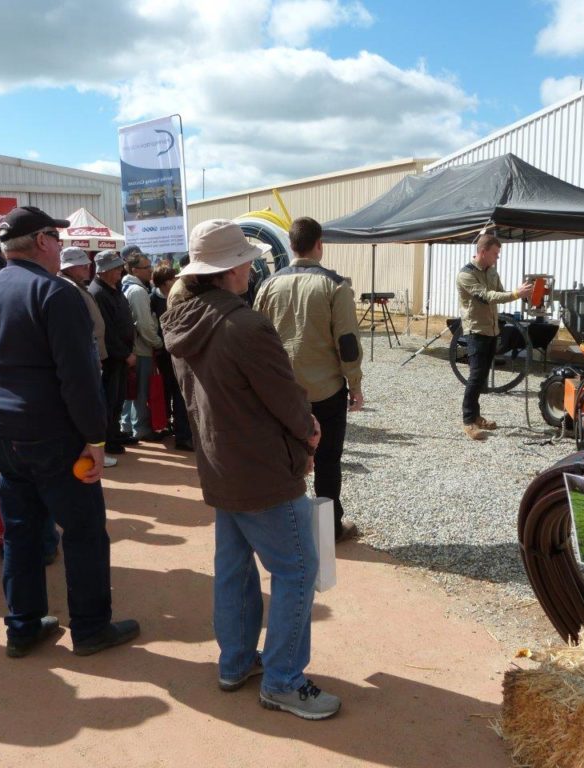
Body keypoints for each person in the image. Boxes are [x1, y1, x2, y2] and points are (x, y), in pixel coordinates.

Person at [161, 218, 339, 720]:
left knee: (234, 570)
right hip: (261, 468)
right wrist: (308, 431)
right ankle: (283, 680)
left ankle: (237, 661)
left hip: (221, 462)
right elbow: (283, 397)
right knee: (297, 570)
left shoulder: (182, 318)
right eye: (245, 260)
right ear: (235, 268)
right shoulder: (243, 324)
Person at [0, 206, 139, 657]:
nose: (61, 244)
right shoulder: (55, 293)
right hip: (54, 436)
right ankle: (90, 628)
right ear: (41, 240)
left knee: (21, 533)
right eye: (56, 237)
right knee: (83, 531)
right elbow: (79, 378)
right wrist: (96, 438)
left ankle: (22, 627)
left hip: (5, 433)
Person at [254, 216, 363, 543]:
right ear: (320, 245)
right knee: (328, 461)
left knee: (283, 460)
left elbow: (257, 340)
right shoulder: (335, 285)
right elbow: (347, 343)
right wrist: (355, 386)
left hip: (282, 393)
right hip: (326, 390)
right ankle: (328, 530)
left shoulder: (268, 285)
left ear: (290, 245)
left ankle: (283, 528)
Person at [455, 233, 534, 440]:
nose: (497, 258)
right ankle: (468, 421)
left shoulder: (491, 272)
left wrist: (520, 293)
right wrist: (516, 294)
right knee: (475, 377)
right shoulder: (466, 275)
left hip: (492, 331)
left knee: (480, 377)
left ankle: (477, 416)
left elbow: (500, 293)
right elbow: (486, 297)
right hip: (476, 331)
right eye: (495, 254)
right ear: (483, 252)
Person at [58, 246, 115, 470]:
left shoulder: (75, 286)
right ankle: (90, 451)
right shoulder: (68, 288)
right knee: (91, 406)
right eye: (83, 265)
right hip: (86, 357)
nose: (88, 267)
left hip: (92, 355)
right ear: (70, 267)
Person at [89, 250, 136, 455]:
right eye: (116, 267)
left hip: (121, 356)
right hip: (112, 358)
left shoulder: (113, 289)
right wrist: (125, 354)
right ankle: (109, 439)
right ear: (105, 270)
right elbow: (106, 331)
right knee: (109, 400)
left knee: (117, 399)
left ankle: (114, 433)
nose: (120, 270)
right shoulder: (98, 293)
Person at [120, 245, 164, 442]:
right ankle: (142, 428)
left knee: (132, 390)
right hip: (141, 348)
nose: (151, 270)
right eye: (147, 267)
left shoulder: (127, 286)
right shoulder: (137, 291)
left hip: (133, 348)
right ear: (135, 270)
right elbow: (144, 325)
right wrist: (157, 343)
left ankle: (128, 425)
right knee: (141, 391)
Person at [150, 265, 193, 451]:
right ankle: (182, 435)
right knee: (178, 392)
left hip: (171, 350)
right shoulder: (157, 299)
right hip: (169, 352)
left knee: (178, 392)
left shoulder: (170, 296)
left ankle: (178, 430)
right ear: (167, 282)